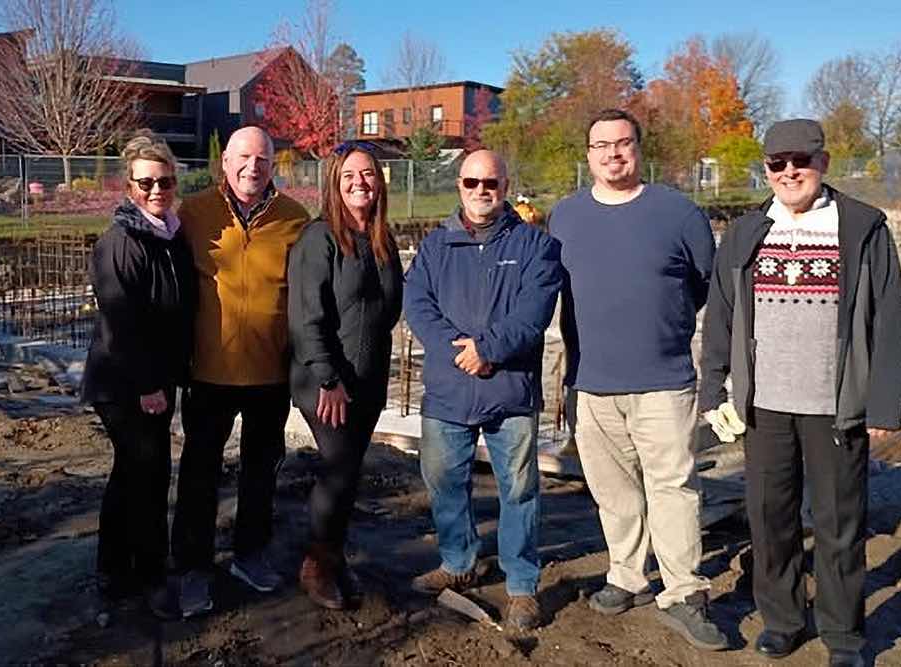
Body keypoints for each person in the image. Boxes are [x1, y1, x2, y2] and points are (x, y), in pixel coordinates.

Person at [699, 119, 901, 667]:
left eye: (801, 160)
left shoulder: (862, 228)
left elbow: (888, 318)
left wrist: (884, 402)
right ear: (765, 170)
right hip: (764, 406)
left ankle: (844, 636)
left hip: (834, 408)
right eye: (777, 163)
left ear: (824, 163)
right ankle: (783, 620)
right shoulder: (747, 232)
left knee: (839, 524)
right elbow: (720, 314)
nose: (789, 171)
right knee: (771, 520)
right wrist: (713, 385)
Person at [549, 108, 728, 651]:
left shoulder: (677, 213)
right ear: (588, 155)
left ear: (638, 149)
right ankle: (626, 575)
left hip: (663, 380)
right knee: (613, 491)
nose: (612, 154)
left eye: (622, 143)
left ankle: (683, 590)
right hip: (591, 380)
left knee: (673, 487)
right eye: (600, 145)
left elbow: (703, 286)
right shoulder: (566, 217)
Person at [403, 149, 562, 630]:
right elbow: (418, 304)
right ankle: (458, 562)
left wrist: (488, 349)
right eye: (471, 182)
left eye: (489, 182)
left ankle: (520, 584)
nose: (480, 191)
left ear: (505, 185)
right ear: (459, 186)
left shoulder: (535, 245)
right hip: (449, 391)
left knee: (518, 489)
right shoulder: (435, 247)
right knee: (445, 481)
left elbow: (534, 313)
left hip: (509, 390)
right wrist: (457, 351)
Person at [171, 126, 310, 617]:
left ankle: (249, 554)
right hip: (209, 371)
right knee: (198, 474)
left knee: (260, 474)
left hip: (270, 373)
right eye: (244, 157)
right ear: (225, 162)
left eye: (264, 159)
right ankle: (192, 566)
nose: (254, 167)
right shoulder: (193, 214)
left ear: (275, 165)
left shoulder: (295, 218)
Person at [82, 131, 195, 620]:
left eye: (165, 181)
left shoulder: (169, 234)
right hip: (124, 380)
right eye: (146, 182)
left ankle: (113, 567)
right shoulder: (122, 241)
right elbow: (120, 319)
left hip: (153, 376)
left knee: (131, 472)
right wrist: (149, 385)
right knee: (148, 471)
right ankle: (149, 575)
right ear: (129, 186)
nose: (156, 190)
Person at [287, 142, 403, 610]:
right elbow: (305, 317)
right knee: (337, 471)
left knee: (351, 472)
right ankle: (315, 564)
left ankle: (334, 555)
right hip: (326, 381)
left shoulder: (381, 238)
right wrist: (328, 377)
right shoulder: (320, 239)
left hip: (368, 379)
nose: (361, 183)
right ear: (334, 183)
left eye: (369, 174)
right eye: (349, 175)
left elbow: (388, 307)